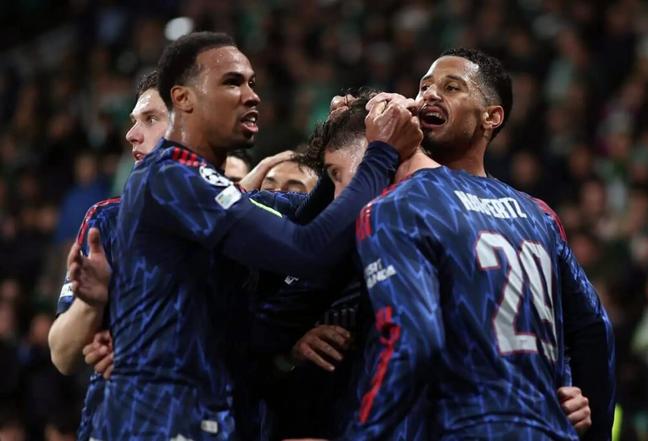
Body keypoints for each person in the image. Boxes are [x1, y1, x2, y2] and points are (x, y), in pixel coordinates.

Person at [69, 31, 420, 439]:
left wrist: (334, 154)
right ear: (183, 99)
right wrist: (380, 153)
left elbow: (298, 231)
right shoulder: (172, 178)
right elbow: (307, 251)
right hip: (162, 421)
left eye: (251, 82)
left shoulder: (200, 185)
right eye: (232, 82)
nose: (252, 95)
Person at [335, 49, 614, 440]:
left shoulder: (403, 203)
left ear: (491, 117)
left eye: (452, 87)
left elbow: (412, 340)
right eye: (424, 86)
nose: (430, 95)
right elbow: (595, 329)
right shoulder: (538, 214)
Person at [47, 70, 167, 440]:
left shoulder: (235, 220)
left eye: (151, 119)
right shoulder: (107, 221)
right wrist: (91, 306)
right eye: (134, 120)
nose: (131, 134)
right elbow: (62, 355)